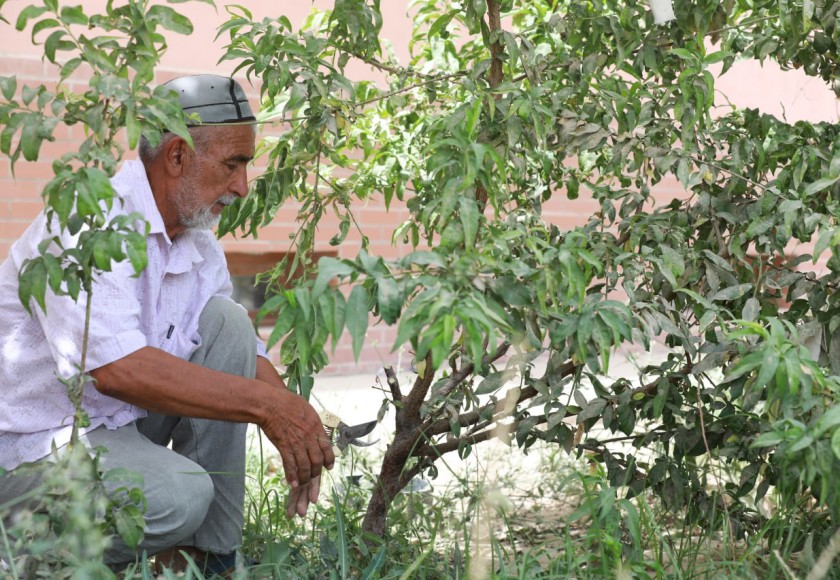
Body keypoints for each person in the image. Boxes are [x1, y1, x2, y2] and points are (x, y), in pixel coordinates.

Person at [0, 74, 334, 574]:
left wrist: (295, 419)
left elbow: (241, 351)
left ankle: (207, 559)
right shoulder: (92, 225)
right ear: (177, 156)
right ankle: (25, 557)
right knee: (180, 497)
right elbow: (117, 370)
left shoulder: (196, 238)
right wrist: (269, 409)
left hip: (115, 427)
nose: (242, 187)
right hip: (32, 449)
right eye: (232, 164)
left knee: (228, 323)